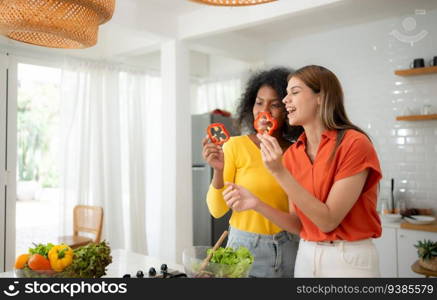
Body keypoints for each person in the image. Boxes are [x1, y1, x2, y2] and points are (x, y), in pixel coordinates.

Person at [223, 65, 382, 277]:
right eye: (286, 94)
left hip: (348, 259)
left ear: (321, 97)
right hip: (306, 255)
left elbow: (328, 221)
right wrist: (256, 204)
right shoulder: (293, 154)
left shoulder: (354, 144)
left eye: (294, 92)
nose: (286, 99)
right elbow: (299, 225)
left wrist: (279, 172)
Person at [202, 67, 303, 278]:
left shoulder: (298, 151)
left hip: (290, 249)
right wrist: (218, 172)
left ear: (287, 109)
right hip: (244, 248)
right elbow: (217, 210)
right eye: (259, 103)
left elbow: (301, 216)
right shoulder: (234, 146)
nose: (264, 111)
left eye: (275, 105)